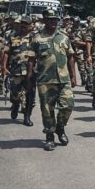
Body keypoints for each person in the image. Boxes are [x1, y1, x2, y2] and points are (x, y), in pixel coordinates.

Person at [27, 9, 77, 152]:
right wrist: (29, 77)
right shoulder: (37, 38)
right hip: (45, 80)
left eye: (55, 19)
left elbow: (71, 57)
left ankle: (60, 128)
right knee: (47, 110)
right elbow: (31, 59)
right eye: (50, 19)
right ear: (44, 20)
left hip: (63, 78)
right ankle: (49, 136)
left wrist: (73, 76)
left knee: (68, 105)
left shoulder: (64, 37)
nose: (53, 22)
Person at [1, 15, 36, 127]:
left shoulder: (35, 38)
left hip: (31, 71)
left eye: (26, 24)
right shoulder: (13, 36)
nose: (23, 26)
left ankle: (27, 117)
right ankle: (15, 105)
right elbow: (6, 52)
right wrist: (3, 66)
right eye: (22, 24)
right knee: (15, 93)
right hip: (16, 69)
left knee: (30, 94)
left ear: (31, 26)